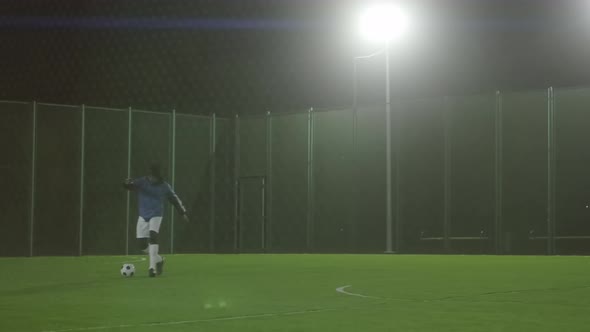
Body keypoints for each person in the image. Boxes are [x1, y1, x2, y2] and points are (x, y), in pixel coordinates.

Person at [123, 163, 189, 277]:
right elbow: (131, 186)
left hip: (156, 214)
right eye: (150, 175)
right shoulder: (142, 181)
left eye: (153, 176)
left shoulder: (164, 186)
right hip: (143, 216)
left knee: (153, 236)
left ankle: (152, 268)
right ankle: (159, 259)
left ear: (158, 177)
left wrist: (182, 212)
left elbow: (174, 199)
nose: (150, 178)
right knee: (142, 245)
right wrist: (125, 184)